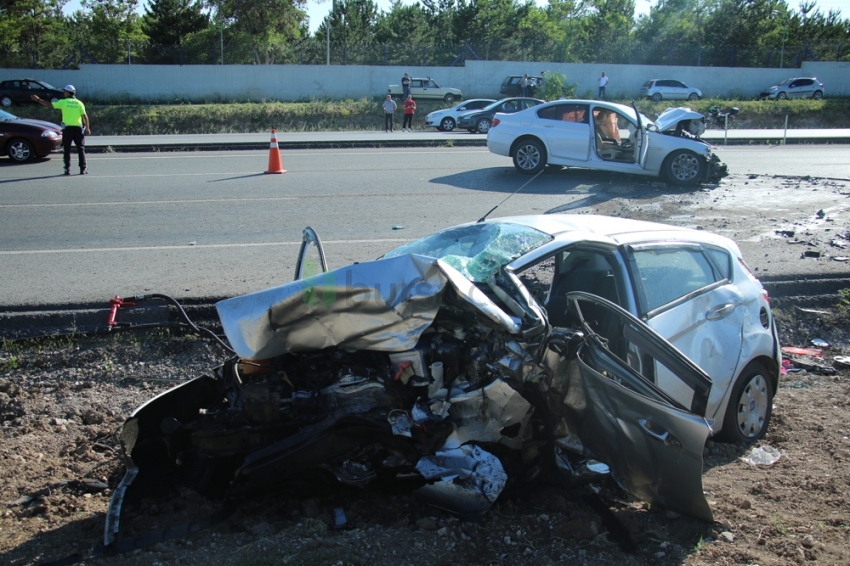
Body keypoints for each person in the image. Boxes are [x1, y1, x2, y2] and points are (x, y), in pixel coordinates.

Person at [31, 84, 90, 175]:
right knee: (81, 149)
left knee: (67, 149)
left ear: (67, 93)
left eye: (65, 92)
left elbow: (50, 105)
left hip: (67, 129)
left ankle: (67, 169)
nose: (64, 93)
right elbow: (85, 116)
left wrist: (38, 100)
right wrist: (88, 128)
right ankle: (83, 169)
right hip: (78, 129)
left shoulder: (63, 102)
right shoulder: (79, 103)